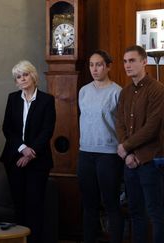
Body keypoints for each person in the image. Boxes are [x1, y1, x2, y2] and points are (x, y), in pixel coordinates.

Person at [0, 60, 56, 243]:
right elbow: (7, 129)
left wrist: (31, 152)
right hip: (14, 159)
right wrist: (23, 149)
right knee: (19, 205)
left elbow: (47, 130)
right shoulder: (11, 98)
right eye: (18, 77)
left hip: (38, 161)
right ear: (16, 82)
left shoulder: (47, 100)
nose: (22, 79)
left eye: (25, 75)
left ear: (33, 76)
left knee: (35, 206)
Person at [116, 45, 164, 243]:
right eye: (125, 61)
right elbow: (120, 123)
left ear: (145, 62)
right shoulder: (125, 92)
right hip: (130, 163)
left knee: (156, 214)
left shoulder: (158, 90)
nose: (128, 65)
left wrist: (126, 147)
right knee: (135, 213)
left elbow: (152, 126)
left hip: (151, 162)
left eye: (132, 60)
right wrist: (127, 155)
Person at [77, 50, 124, 243]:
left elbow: (121, 124)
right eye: (91, 65)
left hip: (108, 154)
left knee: (112, 203)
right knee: (89, 205)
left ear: (108, 66)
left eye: (99, 64)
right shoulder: (84, 91)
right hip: (85, 153)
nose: (94, 69)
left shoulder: (117, 91)